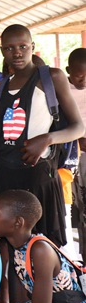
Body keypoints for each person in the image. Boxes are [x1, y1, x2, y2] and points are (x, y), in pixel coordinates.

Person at [0, 24, 84, 246]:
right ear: (2, 51)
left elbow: (79, 127)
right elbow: (0, 146)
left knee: (42, 245)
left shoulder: (50, 77)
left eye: (22, 46)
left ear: (32, 46)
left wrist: (47, 139)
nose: (17, 53)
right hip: (6, 176)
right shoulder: (3, 86)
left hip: (38, 175)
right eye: (9, 48)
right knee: (9, 246)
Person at [66, 47, 86, 261]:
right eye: (80, 76)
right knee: (77, 206)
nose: (84, 80)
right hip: (73, 154)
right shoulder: (64, 90)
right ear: (68, 71)